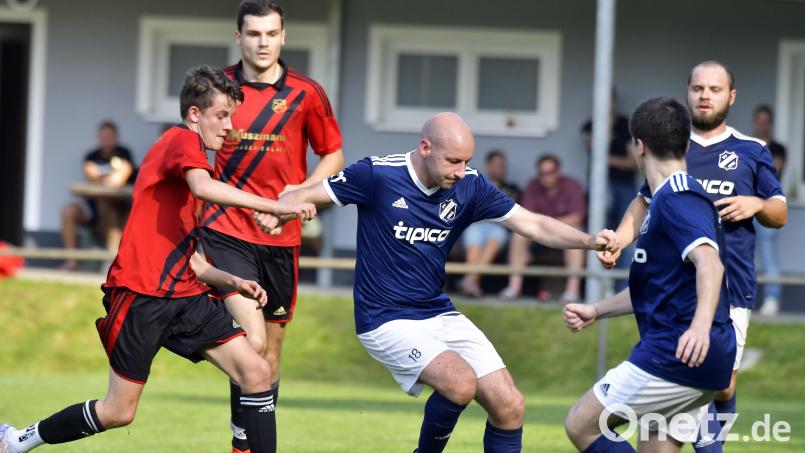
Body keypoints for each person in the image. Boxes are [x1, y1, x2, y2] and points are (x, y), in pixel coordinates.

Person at [259, 112, 619, 453]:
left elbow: (533, 224)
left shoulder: (471, 185)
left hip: (436, 311)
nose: (462, 171)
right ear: (425, 148)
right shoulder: (378, 175)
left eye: (466, 161)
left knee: (510, 405)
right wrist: (278, 212)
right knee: (460, 383)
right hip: (384, 318)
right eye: (454, 162)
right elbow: (305, 194)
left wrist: (588, 241)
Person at [0, 65, 315, 453]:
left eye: (231, 116)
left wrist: (232, 281)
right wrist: (279, 204)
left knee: (256, 370)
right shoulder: (182, 140)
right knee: (118, 412)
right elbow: (206, 187)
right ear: (195, 114)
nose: (230, 125)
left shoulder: (194, 159)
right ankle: (17, 441)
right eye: (222, 115)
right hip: (140, 296)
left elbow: (191, 259)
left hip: (184, 296)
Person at [598, 61, 787, 452]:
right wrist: (618, 238)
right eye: (698, 88)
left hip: (730, 285)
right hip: (670, 286)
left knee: (722, 383)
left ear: (730, 97)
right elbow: (643, 201)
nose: (705, 95)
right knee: (679, 374)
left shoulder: (752, 150)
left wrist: (756, 203)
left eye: (715, 89)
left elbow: (780, 213)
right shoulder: (672, 147)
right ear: (687, 92)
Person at [197, 3, 344, 450]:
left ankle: (247, 442)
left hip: (282, 238)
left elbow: (334, 156)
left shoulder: (307, 93)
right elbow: (193, 153)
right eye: (254, 33)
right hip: (225, 229)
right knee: (252, 342)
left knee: (270, 353)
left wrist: (294, 197)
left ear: (283, 37)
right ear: (238, 37)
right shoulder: (216, 90)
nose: (263, 42)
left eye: (271, 33)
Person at [563, 96, 736, 453]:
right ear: (686, 144)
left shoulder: (677, 199)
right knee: (653, 448)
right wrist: (597, 310)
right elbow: (655, 288)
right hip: (699, 358)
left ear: (638, 147)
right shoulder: (661, 199)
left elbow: (711, 263)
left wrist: (699, 327)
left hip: (675, 353)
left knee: (582, 425)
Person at [500, 154, 587, 303]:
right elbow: (526, 217)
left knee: (577, 233)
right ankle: (514, 288)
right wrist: (544, 227)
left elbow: (577, 217)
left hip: (564, 235)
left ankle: (572, 292)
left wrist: (551, 225)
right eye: (542, 173)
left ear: (558, 172)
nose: (546, 177)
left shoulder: (571, 185)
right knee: (518, 235)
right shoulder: (533, 185)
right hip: (539, 236)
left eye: (550, 172)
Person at [60, 121, 136, 270]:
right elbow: (91, 173)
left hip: (117, 207)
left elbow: (120, 178)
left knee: (111, 211)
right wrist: (108, 178)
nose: (106, 140)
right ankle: (72, 261)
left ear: (116, 137)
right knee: (68, 211)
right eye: (103, 136)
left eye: (109, 136)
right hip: (91, 207)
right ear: (98, 137)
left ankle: (110, 263)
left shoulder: (124, 153)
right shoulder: (92, 155)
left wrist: (105, 178)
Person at [458, 150, 520, 297]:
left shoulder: (512, 189)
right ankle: (473, 284)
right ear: (488, 166)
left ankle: (470, 281)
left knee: (494, 238)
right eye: (496, 165)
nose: (499, 168)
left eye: (502, 165)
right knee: (474, 235)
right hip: (476, 224)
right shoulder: (476, 184)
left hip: (499, 226)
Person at [752, 105, 787, 316]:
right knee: (742, 252)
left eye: (766, 120)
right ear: (755, 122)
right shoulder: (747, 145)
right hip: (747, 205)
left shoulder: (778, 148)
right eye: (759, 120)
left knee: (768, 253)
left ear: (770, 123)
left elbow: (772, 171)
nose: (762, 124)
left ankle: (772, 299)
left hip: (769, 206)